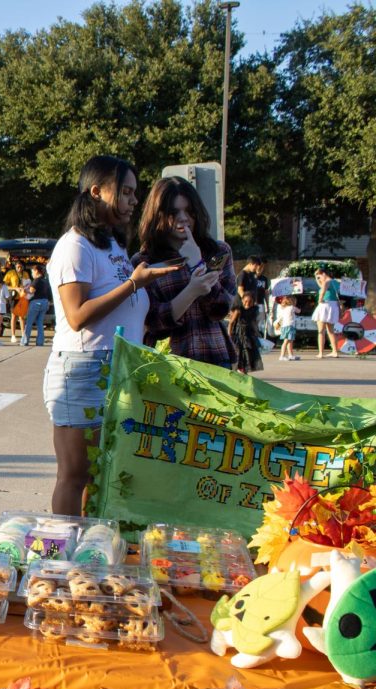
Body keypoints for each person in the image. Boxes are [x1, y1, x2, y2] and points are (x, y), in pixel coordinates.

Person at [44, 156, 179, 516]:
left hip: (115, 369)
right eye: (126, 192)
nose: (134, 201)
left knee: (99, 474)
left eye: (135, 193)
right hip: (83, 369)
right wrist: (134, 283)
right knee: (75, 474)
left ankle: (86, 553)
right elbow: (77, 316)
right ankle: (63, 557)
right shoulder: (74, 246)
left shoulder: (112, 247)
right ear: (96, 192)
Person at [133, 176, 237, 369]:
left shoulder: (217, 252)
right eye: (173, 212)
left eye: (189, 211)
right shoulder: (144, 262)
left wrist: (197, 263)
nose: (183, 218)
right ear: (157, 215)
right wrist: (191, 291)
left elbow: (220, 309)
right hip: (166, 364)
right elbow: (152, 322)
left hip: (213, 358)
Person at [229, 291, 264, 374]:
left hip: (249, 335)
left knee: (248, 354)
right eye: (245, 301)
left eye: (250, 302)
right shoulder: (238, 310)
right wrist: (229, 336)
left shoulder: (254, 310)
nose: (247, 304)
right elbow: (231, 323)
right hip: (238, 334)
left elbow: (254, 323)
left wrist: (257, 334)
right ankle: (238, 370)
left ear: (253, 302)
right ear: (242, 301)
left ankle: (244, 370)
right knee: (238, 353)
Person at [312, 267, 341, 358]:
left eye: (319, 276)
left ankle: (321, 353)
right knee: (331, 331)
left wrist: (319, 300)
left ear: (324, 274)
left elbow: (322, 291)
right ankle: (335, 351)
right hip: (334, 306)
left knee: (321, 331)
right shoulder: (335, 282)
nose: (319, 279)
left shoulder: (326, 282)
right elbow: (324, 287)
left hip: (325, 305)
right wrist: (317, 280)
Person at [23, 263, 51, 346]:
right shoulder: (46, 280)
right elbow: (49, 293)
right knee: (40, 323)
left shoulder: (37, 280)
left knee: (29, 322)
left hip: (36, 302)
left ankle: (25, 341)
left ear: (36, 271)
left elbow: (31, 291)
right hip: (45, 302)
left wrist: (24, 290)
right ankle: (40, 342)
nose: (32, 274)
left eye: (32, 272)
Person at [5, 261, 29, 342]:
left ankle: (23, 334)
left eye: (21, 267)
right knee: (14, 316)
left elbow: (28, 284)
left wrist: (24, 289)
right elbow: (5, 285)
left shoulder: (25, 274)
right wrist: (15, 288)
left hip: (22, 297)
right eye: (18, 267)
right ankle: (13, 335)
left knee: (22, 316)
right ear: (15, 267)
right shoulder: (10, 273)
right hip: (14, 297)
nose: (19, 268)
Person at [274, 294, 300, 361]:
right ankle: (282, 356)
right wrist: (295, 307)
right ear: (292, 302)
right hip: (289, 327)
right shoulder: (292, 307)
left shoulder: (284, 308)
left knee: (289, 341)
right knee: (286, 342)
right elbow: (299, 311)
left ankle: (290, 355)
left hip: (285, 327)